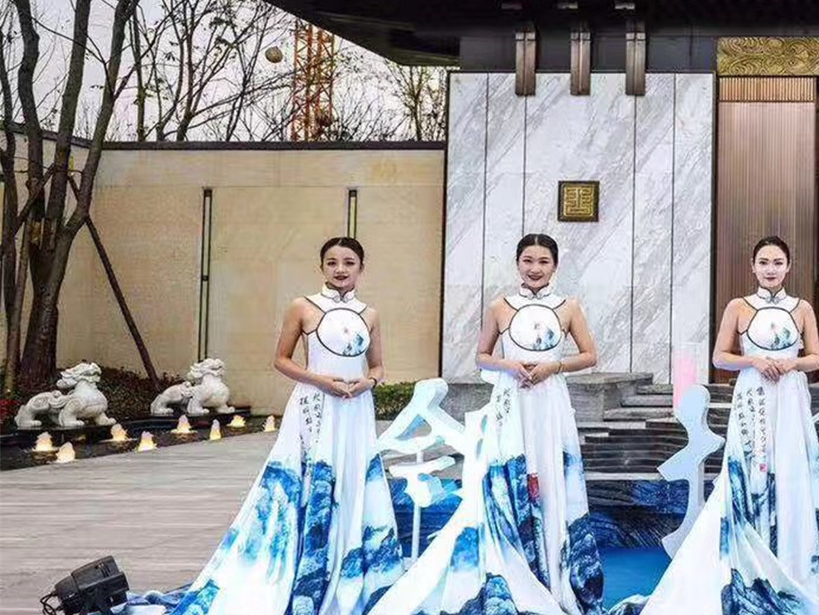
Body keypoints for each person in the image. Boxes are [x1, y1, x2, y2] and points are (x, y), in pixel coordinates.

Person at [612, 237, 819, 615]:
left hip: (790, 398)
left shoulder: (802, 308)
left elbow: (815, 359)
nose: (770, 269)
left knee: (792, 474)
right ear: (752, 265)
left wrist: (791, 364)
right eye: (763, 262)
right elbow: (720, 357)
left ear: (788, 266)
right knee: (749, 473)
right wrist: (755, 362)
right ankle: (745, 564)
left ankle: (794, 565)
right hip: (752, 397)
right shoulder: (738, 306)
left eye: (777, 262)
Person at [168, 237, 404, 615]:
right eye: (332, 262)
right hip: (316, 403)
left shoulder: (370, 314)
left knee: (353, 479)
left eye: (348, 262)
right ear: (321, 267)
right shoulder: (302, 306)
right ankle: (305, 567)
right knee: (311, 479)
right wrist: (321, 381)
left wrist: (368, 383)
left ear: (362, 267)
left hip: (356, 407)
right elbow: (282, 360)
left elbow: (377, 366)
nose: (340, 269)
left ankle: (349, 570)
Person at [373, 234, 604, 615]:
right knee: (507, 475)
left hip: (550, 403)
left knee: (550, 478)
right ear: (517, 264)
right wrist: (508, 365)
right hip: (511, 401)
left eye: (543, 261)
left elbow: (590, 355)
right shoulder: (500, 307)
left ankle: (553, 571)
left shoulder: (569, 307)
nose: (534, 268)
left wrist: (554, 366)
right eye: (528, 260)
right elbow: (482, 356)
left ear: (555, 266)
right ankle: (511, 564)